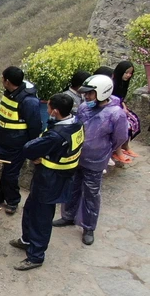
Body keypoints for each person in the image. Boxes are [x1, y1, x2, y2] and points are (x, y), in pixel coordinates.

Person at [9, 93, 83, 271]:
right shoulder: (76, 123)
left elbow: (29, 148)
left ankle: (36, 255)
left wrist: (37, 156)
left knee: (41, 218)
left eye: (49, 106)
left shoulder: (56, 136)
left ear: (55, 111)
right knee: (30, 209)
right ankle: (27, 240)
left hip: (49, 179)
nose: (47, 108)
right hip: (60, 176)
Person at [53, 74, 128, 246]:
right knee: (72, 186)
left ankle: (88, 227)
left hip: (96, 159)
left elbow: (120, 138)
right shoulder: (85, 107)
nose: (86, 97)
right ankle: (68, 216)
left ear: (102, 93)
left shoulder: (116, 114)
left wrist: (104, 151)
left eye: (90, 93)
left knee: (91, 193)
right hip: (77, 156)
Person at [0, 66, 45, 215]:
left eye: (3, 78)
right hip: (4, 139)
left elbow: (35, 126)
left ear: (7, 81)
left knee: (11, 173)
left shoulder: (28, 101)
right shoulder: (11, 93)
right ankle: (1, 195)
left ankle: (13, 201)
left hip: (17, 144)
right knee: (3, 170)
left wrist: (33, 148)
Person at [112, 60, 140, 163]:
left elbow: (121, 98)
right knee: (124, 125)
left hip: (119, 107)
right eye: (126, 72)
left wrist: (124, 107)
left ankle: (125, 146)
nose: (128, 75)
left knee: (134, 120)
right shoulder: (113, 83)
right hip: (111, 110)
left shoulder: (123, 83)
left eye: (130, 73)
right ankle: (118, 151)